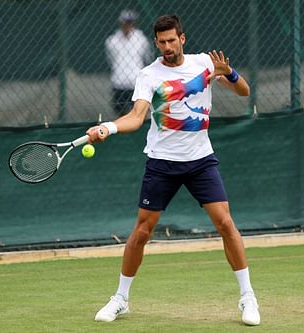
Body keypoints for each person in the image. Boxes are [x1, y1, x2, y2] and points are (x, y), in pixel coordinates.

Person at [87, 14, 261, 326]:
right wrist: (108, 127)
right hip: (162, 162)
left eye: (172, 40)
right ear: (156, 43)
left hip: (200, 160)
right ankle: (121, 299)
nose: (168, 46)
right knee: (142, 231)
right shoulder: (148, 75)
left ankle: (248, 297)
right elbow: (137, 117)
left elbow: (245, 91)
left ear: (182, 38)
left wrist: (229, 73)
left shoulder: (204, 64)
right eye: (162, 42)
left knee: (225, 223)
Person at [105, 9, 152, 117]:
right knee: (120, 114)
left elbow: (147, 59)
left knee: (139, 114)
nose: (127, 25)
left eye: (130, 22)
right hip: (119, 82)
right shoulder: (112, 41)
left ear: (134, 23)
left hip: (136, 82)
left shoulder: (142, 40)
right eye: (125, 22)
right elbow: (111, 60)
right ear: (120, 23)